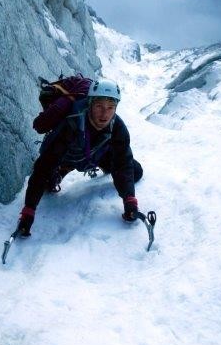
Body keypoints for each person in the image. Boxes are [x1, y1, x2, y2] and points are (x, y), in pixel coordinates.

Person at [17, 78, 143, 236]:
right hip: (67, 157)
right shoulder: (71, 124)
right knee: (46, 182)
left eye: (110, 108)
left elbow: (123, 163)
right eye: (99, 106)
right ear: (90, 104)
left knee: (135, 172)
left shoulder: (117, 127)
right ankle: (62, 170)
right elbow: (43, 167)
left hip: (96, 155)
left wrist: (129, 201)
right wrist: (28, 211)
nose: (105, 114)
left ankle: (96, 164)